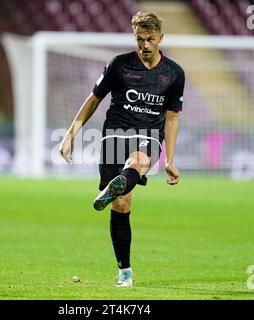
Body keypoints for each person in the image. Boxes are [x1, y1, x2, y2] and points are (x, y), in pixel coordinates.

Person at [59, 11, 185, 287]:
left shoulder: (174, 74)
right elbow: (93, 99)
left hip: (149, 134)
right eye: (140, 39)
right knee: (122, 203)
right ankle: (124, 270)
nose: (145, 45)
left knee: (138, 163)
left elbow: (172, 117)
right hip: (115, 133)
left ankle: (122, 180)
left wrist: (170, 159)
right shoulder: (119, 65)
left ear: (160, 37)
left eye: (151, 39)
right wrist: (71, 134)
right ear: (135, 37)